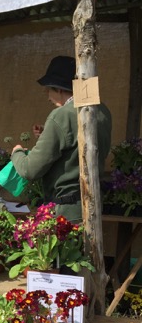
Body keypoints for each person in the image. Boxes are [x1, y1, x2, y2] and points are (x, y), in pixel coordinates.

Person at [10, 55, 112, 221]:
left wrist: (17, 152)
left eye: (48, 89)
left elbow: (30, 170)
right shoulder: (102, 111)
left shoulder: (61, 115)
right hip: (92, 206)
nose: (46, 95)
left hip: (67, 212)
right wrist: (48, 134)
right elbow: (79, 145)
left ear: (58, 89)